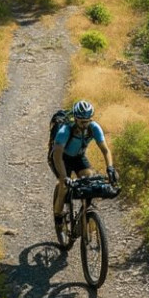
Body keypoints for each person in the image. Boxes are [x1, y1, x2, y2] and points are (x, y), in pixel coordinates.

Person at [51, 100, 117, 235]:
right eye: (82, 122)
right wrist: (64, 177)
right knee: (64, 186)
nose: (85, 124)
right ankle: (58, 216)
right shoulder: (65, 130)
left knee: (90, 181)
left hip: (78, 157)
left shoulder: (94, 128)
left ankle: (86, 215)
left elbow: (105, 150)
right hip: (61, 158)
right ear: (75, 119)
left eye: (87, 121)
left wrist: (110, 168)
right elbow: (57, 157)